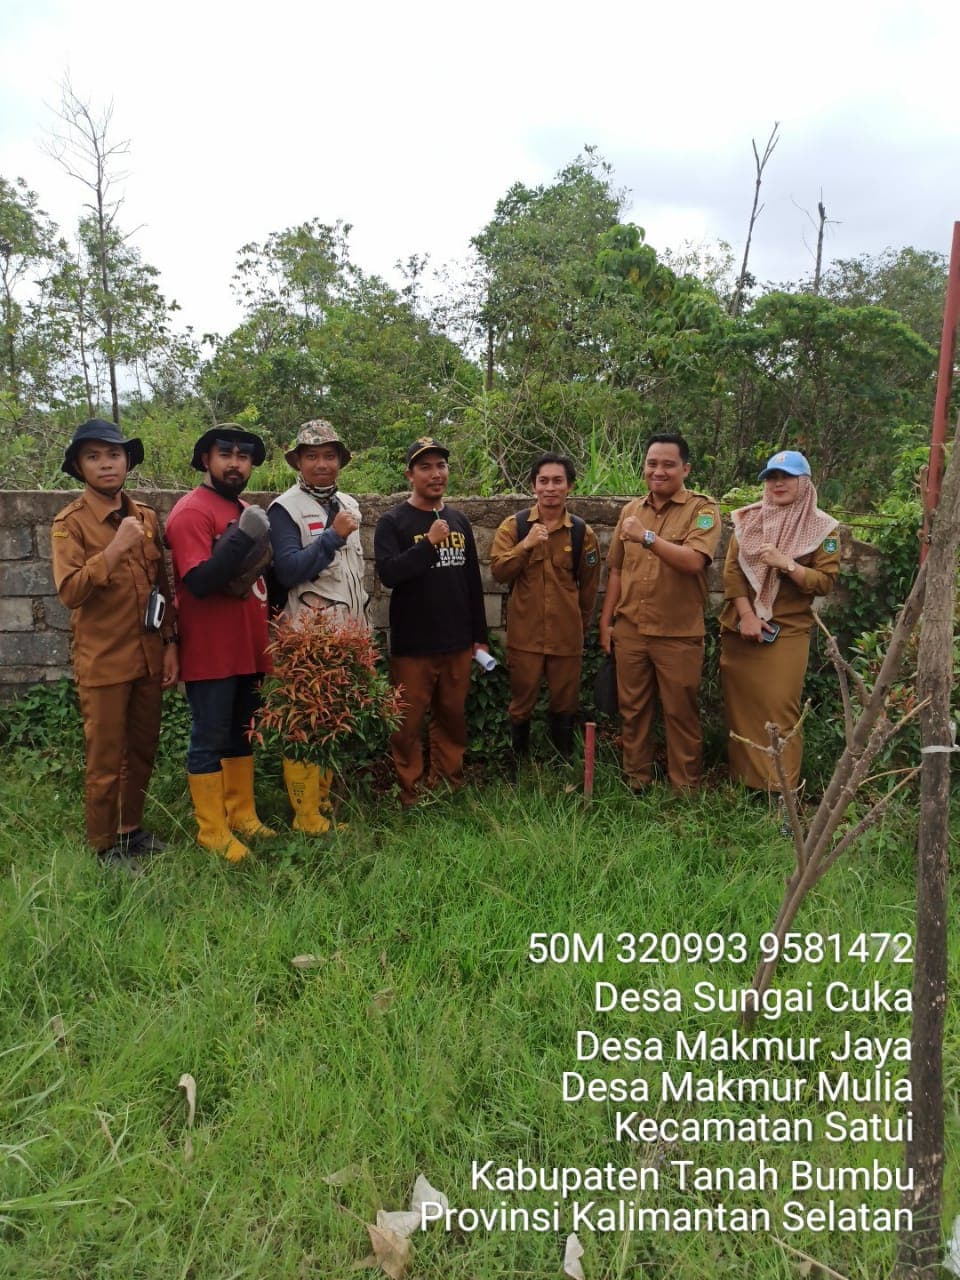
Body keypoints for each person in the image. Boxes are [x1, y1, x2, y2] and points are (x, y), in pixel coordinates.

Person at [51, 419, 179, 867]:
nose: (106, 464)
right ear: (80, 467)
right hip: (103, 660)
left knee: (142, 748)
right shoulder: (71, 524)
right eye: (93, 456)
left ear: (127, 462)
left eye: (114, 455)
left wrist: (170, 645)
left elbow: (160, 586)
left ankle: (131, 830)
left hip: (147, 656)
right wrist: (113, 550)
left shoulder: (144, 516)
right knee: (105, 758)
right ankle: (104, 844)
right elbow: (70, 592)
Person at [165, 425, 274, 862]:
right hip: (210, 650)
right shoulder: (191, 512)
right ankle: (212, 830)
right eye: (225, 453)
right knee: (208, 737)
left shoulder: (246, 508)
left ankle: (242, 815)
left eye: (243, 456)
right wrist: (243, 537)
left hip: (248, 645)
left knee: (242, 735)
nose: (235, 462)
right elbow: (201, 582)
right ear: (205, 459)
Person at [598, 433, 721, 792]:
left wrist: (648, 538)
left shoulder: (702, 510)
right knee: (632, 710)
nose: (658, 471)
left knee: (680, 712)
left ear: (685, 468)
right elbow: (617, 570)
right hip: (632, 629)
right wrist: (607, 623)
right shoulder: (630, 511)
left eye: (668, 464)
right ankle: (636, 779)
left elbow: (694, 562)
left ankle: (684, 786)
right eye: (652, 463)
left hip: (678, 633)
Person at [373, 438, 489, 808]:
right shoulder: (393, 521)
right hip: (414, 644)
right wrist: (428, 546)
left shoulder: (458, 520)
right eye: (425, 467)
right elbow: (389, 574)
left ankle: (448, 783)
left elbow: (472, 581)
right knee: (407, 724)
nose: (435, 474)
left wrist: (480, 638)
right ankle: (412, 791)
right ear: (410, 474)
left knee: (452, 717)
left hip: (457, 642)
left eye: (441, 465)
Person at [720, 449, 840, 796]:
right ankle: (745, 785)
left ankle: (782, 793)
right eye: (771, 477)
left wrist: (787, 564)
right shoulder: (748, 521)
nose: (778, 483)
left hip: (786, 631)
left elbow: (825, 582)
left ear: (804, 483)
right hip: (741, 630)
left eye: (786, 477)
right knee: (741, 710)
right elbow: (731, 573)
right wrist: (746, 615)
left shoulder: (824, 529)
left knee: (780, 711)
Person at [268, 419, 367, 833]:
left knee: (333, 720)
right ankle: (305, 814)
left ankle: (322, 805)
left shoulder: (349, 504)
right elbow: (288, 571)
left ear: (340, 461)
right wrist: (331, 538)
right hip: (308, 636)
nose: (321, 464)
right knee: (307, 723)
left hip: (349, 632)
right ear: (298, 461)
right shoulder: (285, 509)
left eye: (329, 456)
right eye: (312, 456)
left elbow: (355, 573)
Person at [490, 452, 600, 761]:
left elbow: (589, 586)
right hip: (526, 637)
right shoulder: (515, 527)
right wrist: (525, 547)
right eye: (543, 481)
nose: (550, 488)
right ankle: (519, 762)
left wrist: (579, 624)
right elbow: (498, 572)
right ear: (533, 486)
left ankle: (560, 761)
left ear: (570, 486)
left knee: (565, 703)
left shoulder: (581, 533)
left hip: (567, 637)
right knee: (521, 702)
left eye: (557, 481)